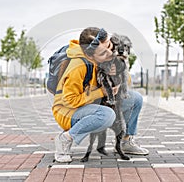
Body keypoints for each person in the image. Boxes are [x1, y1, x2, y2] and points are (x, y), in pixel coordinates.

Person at [52, 27, 149, 163]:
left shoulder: (105, 59)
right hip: (68, 111)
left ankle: (126, 142)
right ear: (91, 55)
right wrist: (101, 92)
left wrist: (117, 72)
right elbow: (69, 101)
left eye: (109, 46)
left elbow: (124, 86)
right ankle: (66, 139)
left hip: (92, 103)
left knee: (135, 99)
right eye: (104, 52)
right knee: (107, 115)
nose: (110, 53)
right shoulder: (78, 66)